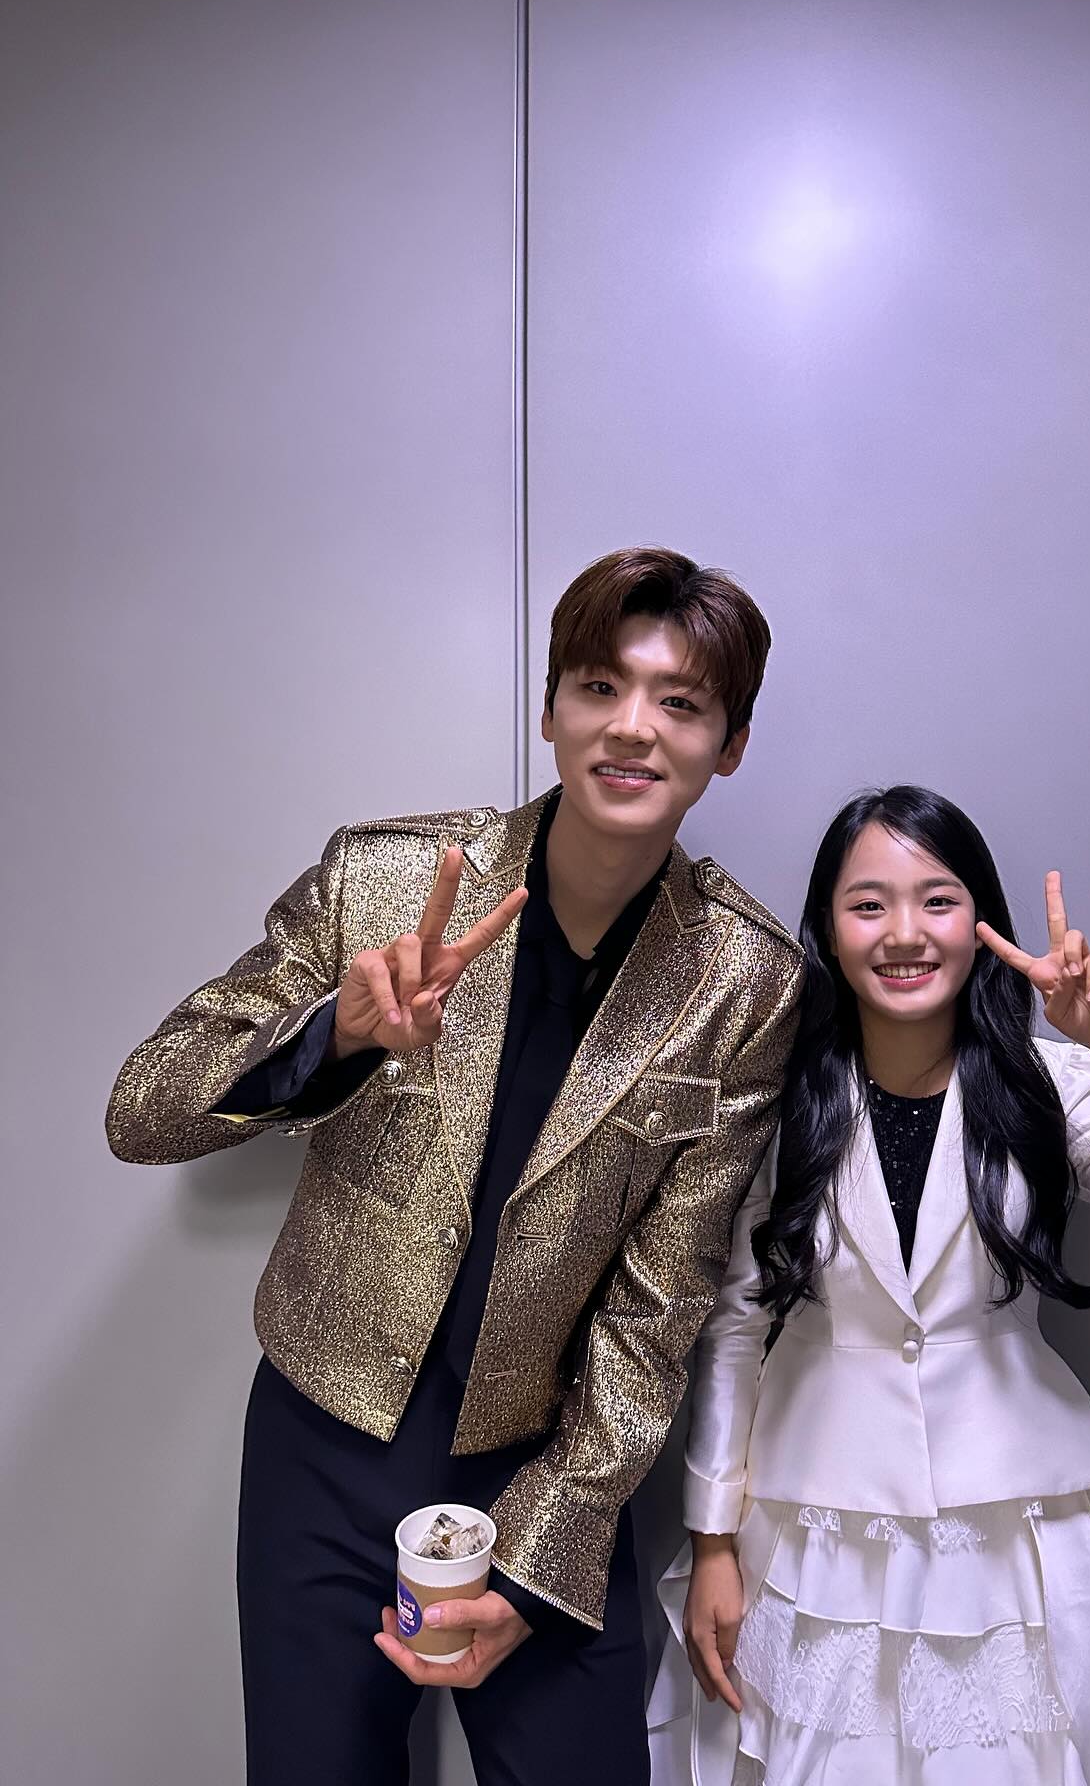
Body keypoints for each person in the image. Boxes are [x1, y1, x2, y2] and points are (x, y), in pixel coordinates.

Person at [106, 548, 804, 1786]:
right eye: (600, 687)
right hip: (324, 1442)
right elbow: (143, 1111)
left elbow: (657, 1313)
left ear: (730, 745)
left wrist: (533, 1570)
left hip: (546, 1460)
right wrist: (336, 1035)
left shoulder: (744, 981)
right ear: (551, 711)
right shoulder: (382, 878)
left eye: (681, 702)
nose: (632, 727)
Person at [648, 784, 1090, 1785]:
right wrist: (713, 1537)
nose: (905, 933)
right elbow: (736, 1322)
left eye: (937, 900)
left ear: (982, 923)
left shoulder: (1051, 1082)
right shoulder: (780, 1097)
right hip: (815, 1523)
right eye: (869, 904)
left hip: (1018, 1518)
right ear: (829, 930)